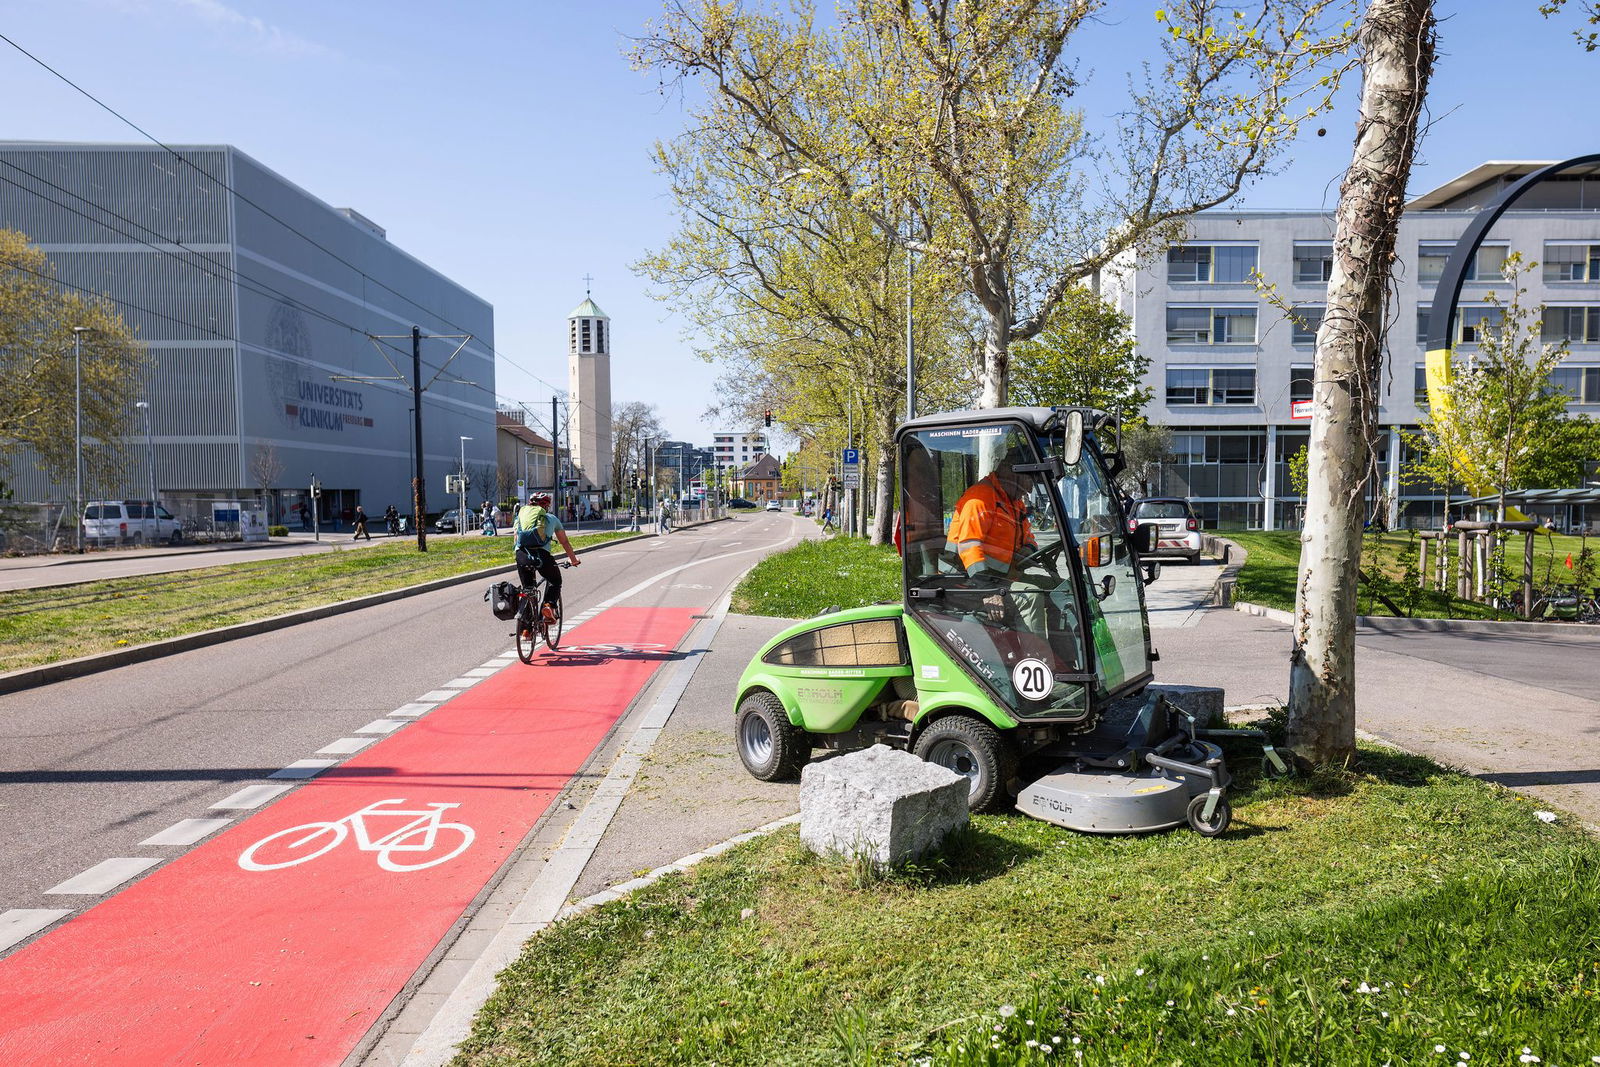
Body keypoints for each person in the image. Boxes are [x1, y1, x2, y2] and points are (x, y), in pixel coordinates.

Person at [513, 491, 581, 625]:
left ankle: (526, 631)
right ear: (547, 506)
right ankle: (548, 606)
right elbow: (564, 542)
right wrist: (573, 560)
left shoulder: (520, 518)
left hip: (521, 555)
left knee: (527, 590)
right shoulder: (552, 519)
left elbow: (516, 539)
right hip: (542, 556)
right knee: (555, 580)